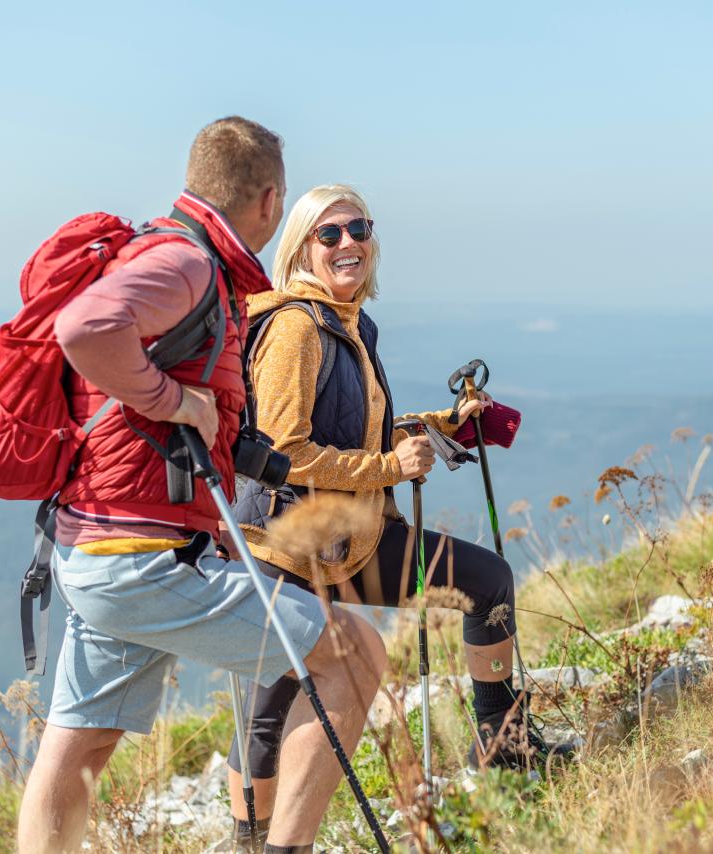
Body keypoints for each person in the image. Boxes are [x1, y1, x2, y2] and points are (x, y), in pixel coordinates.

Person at [17, 122, 386, 854]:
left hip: (95, 548)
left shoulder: (166, 250)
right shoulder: (187, 262)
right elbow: (85, 327)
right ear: (271, 199)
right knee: (355, 656)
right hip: (140, 557)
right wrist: (173, 401)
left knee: (79, 750)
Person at [228, 183, 573, 841]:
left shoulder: (349, 321)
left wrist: (444, 426)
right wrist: (391, 468)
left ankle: (503, 748)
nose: (349, 242)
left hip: (349, 542)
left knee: (486, 582)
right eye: (329, 234)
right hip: (280, 543)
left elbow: (348, 429)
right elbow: (281, 451)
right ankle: (250, 841)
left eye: (358, 227)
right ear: (301, 248)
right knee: (268, 709)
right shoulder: (298, 326)